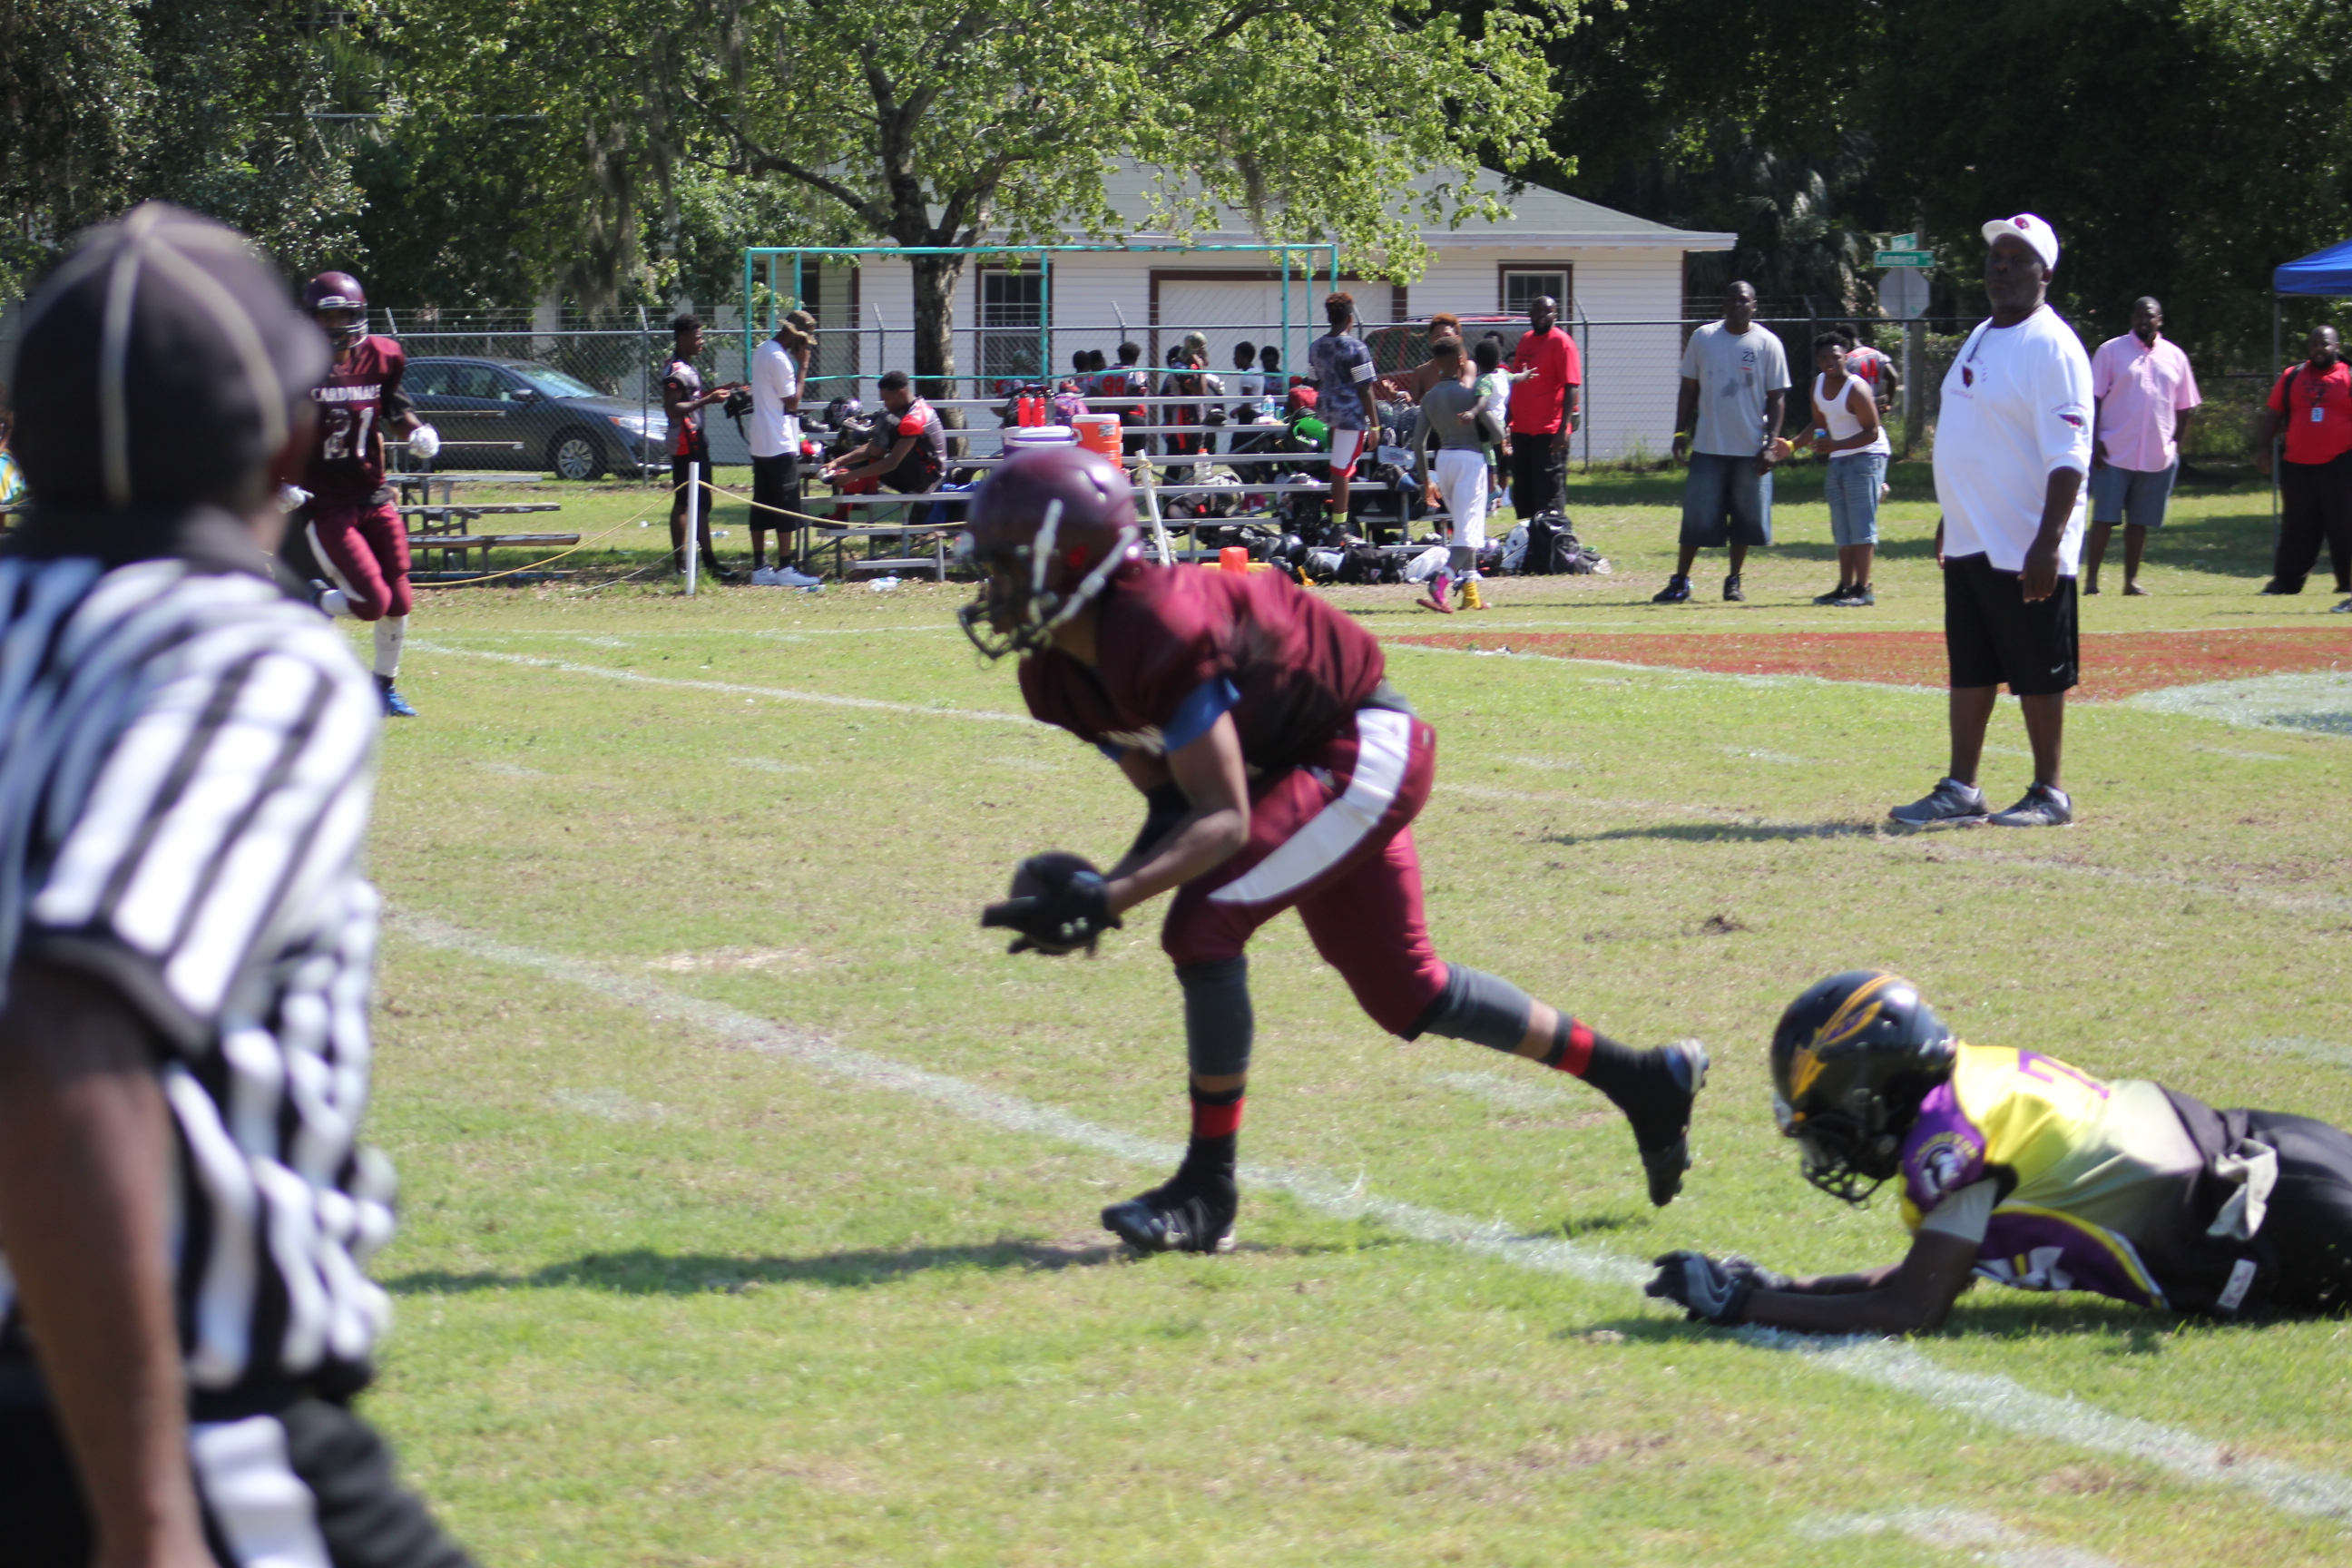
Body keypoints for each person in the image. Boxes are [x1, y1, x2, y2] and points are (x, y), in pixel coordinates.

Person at [0, 202, 477, 1567]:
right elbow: (65, 1033)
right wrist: (150, 1523)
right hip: (174, 1421)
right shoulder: (238, 654)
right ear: (282, 439)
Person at [957, 446, 1708, 1251]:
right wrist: (1103, 890)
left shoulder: (1160, 627)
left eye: (1004, 566)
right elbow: (1173, 803)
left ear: (1072, 561)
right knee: (1404, 991)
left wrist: (1107, 897)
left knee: (1202, 925)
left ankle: (1208, 1190)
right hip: (1292, 763)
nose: (989, 588)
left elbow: (1224, 821)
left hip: (1361, 742)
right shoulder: (1054, 679)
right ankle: (1643, 1080)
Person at [1646, 970, 2352, 1332]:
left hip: (2288, 1221)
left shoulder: (1951, 1137)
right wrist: (1782, 1287)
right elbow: (1935, 1273)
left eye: (1830, 1119)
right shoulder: (1968, 1083)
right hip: (2278, 1154)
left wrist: (1744, 1305)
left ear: (1874, 1089)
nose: (1831, 1141)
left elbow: (1914, 1309)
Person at [1886, 215, 2091, 830]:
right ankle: (1961, 789)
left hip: (2025, 540)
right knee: (1971, 668)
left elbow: (2070, 456)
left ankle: (2050, 793)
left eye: (2017, 258)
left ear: (2044, 273)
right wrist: (1953, 513)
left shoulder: (2052, 346)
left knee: (2038, 672)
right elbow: (1973, 430)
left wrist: (2048, 543)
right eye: (1995, 256)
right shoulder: (1981, 334)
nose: (2000, 266)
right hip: (1973, 536)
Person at [289, 270, 435, 717]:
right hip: (324, 500)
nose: (336, 327)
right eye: (326, 317)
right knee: (372, 602)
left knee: (400, 600)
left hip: (372, 492)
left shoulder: (383, 356)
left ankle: (383, 688)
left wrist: (417, 430)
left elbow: (395, 408)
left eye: (344, 316)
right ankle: (312, 598)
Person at [1659, 282, 1788, 603]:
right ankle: (1680, 581)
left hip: (1750, 449)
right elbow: (1689, 388)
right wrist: (1679, 433)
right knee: (1697, 518)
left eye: (1743, 300)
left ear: (1754, 305)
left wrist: (1771, 444)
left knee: (1744, 520)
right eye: (1731, 299)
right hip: (1708, 447)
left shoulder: (1768, 343)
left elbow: (1777, 397)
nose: (1737, 305)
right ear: (1723, 303)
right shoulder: (1704, 337)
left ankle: (1733, 582)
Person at [2084, 297, 2199, 597]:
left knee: (2139, 522)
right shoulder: (2110, 351)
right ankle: (2092, 582)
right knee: (2104, 518)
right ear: (2131, 318)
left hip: (2156, 455)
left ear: (2160, 320)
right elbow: (2092, 399)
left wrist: (2175, 445)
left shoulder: (2175, 356)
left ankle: (2131, 582)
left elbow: (2185, 406)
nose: (2143, 320)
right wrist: (2094, 442)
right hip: (2113, 451)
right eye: (2138, 315)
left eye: (2149, 316)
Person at [2256, 324, 2352, 608]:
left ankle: (2347, 584)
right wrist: (2263, 448)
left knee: (2344, 525)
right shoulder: (2292, 376)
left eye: (2325, 344)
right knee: (2297, 527)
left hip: (2340, 464)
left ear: (2337, 347)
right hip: (2297, 465)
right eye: (2314, 344)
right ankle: (2285, 582)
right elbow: (2273, 415)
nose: (2319, 349)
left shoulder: (2348, 375)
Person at [1792, 331, 1889, 606]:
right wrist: (1790, 445)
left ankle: (1864, 589)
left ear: (1845, 357)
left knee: (1861, 525)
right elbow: (1818, 424)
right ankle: (1845, 587)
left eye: (1835, 357)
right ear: (1818, 361)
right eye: (1824, 358)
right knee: (1842, 528)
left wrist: (1836, 445)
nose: (1830, 362)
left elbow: (1872, 432)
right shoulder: (1818, 384)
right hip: (1838, 458)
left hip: (1866, 457)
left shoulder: (1856, 388)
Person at [1410, 338, 1494, 612]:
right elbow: (1496, 432)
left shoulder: (1429, 397)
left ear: (1435, 363)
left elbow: (1417, 443)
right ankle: (1441, 581)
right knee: (1469, 533)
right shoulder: (1469, 394)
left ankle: (1471, 595)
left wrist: (1426, 479)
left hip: (1443, 460)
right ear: (1461, 361)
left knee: (1462, 529)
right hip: (1470, 460)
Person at [662, 312, 738, 581]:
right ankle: (682, 564)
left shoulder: (687, 366)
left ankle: (708, 561)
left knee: (702, 503)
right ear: (683, 338)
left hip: (696, 441)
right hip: (685, 444)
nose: (702, 341)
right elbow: (672, 408)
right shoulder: (676, 370)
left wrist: (719, 391)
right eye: (698, 337)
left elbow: (691, 396)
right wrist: (707, 401)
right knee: (685, 503)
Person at [749, 316, 821, 586]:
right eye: (805, 341)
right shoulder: (780, 358)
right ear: (797, 336)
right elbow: (792, 402)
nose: (805, 347)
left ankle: (759, 567)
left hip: (761, 439)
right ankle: (785, 568)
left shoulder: (763, 349)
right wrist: (803, 367)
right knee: (786, 505)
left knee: (761, 503)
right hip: (779, 440)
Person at [1506, 297, 1581, 522]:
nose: (1541, 315)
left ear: (1555, 315)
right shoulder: (1526, 339)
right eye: (1537, 310)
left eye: (1547, 311)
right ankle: (1528, 536)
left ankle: (1549, 534)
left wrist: (1562, 429)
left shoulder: (1562, 342)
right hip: (1522, 429)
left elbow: (1571, 387)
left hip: (1549, 431)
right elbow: (1516, 382)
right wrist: (1508, 421)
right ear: (1530, 314)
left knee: (1548, 491)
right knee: (1523, 491)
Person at [1308, 292, 1377, 528]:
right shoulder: (1357, 348)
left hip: (1325, 414)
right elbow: (1365, 389)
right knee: (1341, 470)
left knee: (1338, 467)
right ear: (1350, 317)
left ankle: (1337, 518)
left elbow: (1313, 382)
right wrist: (1375, 426)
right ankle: (1340, 525)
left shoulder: (1315, 347)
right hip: (1350, 417)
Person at [822, 369, 946, 497]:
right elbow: (873, 447)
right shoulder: (907, 409)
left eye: (887, 399)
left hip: (927, 479)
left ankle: (865, 486)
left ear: (901, 393)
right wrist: (837, 462)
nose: (885, 404)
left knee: (885, 418)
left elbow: (892, 462)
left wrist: (852, 475)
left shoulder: (914, 418)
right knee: (858, 448)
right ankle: (861, 490)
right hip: (919, 472)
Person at [1377, 313, 1465, 404]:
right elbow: (1411, 400)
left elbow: (1467, 391)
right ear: (1431, 340)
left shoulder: (1466, 366)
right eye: (1437, 336)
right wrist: (1395, 394)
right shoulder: (1421, 372)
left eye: (1447, 335)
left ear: (1458, 339)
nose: (1442, 340)